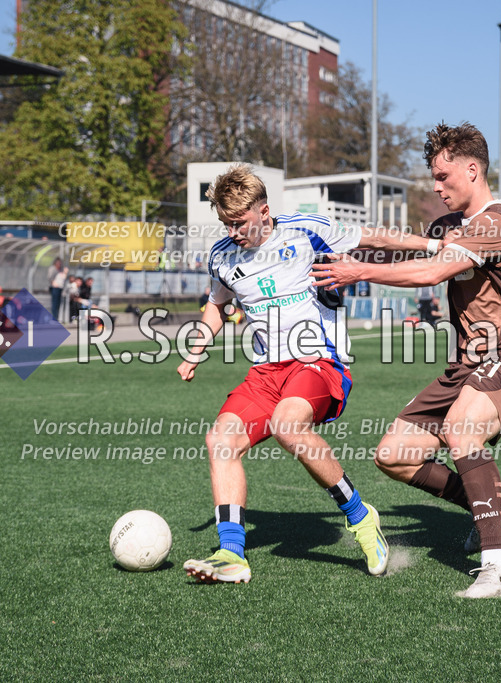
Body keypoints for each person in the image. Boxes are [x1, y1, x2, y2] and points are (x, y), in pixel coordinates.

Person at [178, 164, 436, 584]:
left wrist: (433, 242)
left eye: (240, 223)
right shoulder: (222, 255)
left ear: (264, 210)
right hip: (265, 371)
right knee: (220, 440)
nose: (234, 232)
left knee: (287, 424)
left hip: (318, 362)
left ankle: (359, 516)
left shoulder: (305, 230)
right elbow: (218, 302)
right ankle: (231, 553)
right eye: (226, 224)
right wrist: (198, 346)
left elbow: (373, 236)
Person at [312, 122, 501, 598]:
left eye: (443, 176)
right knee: (393, 456)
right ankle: (489, 506)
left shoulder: (500, 223)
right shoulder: (448, 226)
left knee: (460, 429)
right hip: (463, 368)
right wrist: (331, 238)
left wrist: (360, 271)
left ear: (472, 170)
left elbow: (435, 268)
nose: (436, 187)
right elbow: (411, 244)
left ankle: (496, 566)